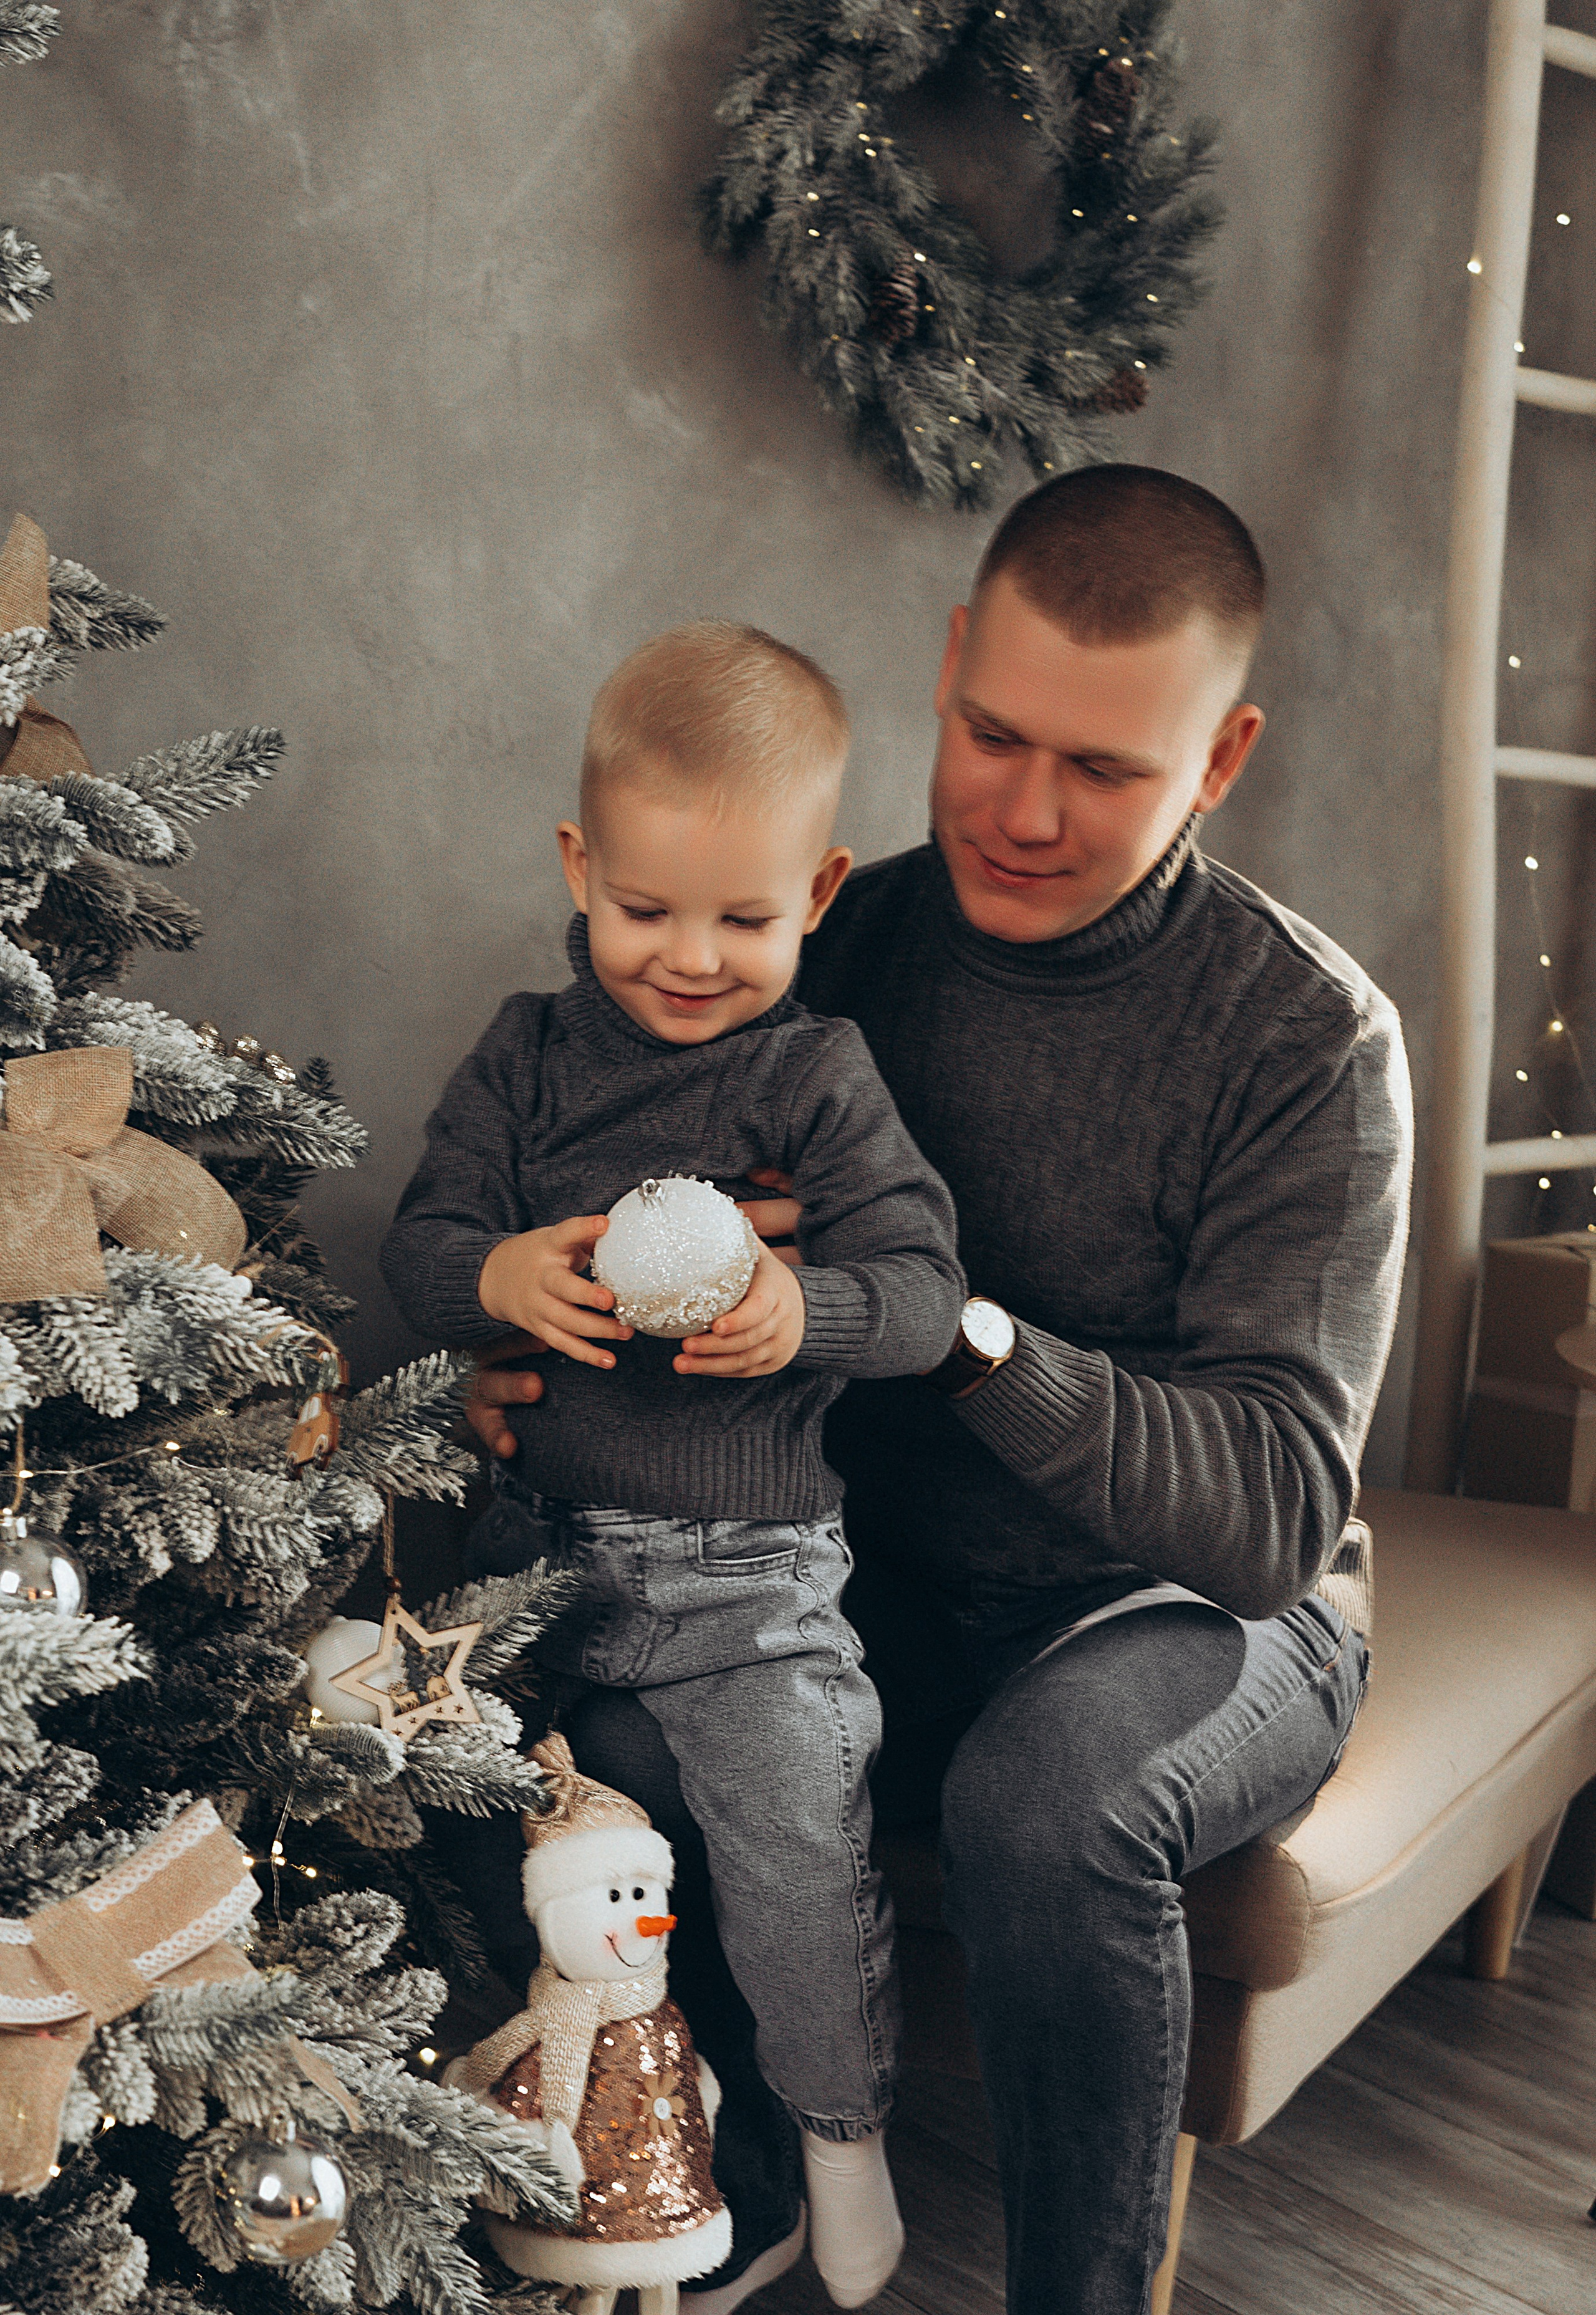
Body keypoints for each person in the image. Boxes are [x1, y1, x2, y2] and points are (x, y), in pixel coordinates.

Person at [463, 466, 1414, 2315]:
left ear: (1219, 760)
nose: (1028, 811)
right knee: (632, 1742)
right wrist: (525, 1352)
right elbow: (556, 1196)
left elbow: (1269, 1516)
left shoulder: (1305, 1036)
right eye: (993, 733)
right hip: (842, 1573)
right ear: (953, 661)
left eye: (1107, 771)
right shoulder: (815, 943)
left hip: (1181, 1607)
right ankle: (717, 2206)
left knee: (1047, 1803)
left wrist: (943, 1324)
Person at [379, 621, 968, 2311]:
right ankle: (595, 2116)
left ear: (823, 889)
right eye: (646, 909)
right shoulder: (531, 1055)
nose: (691, 958)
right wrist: (491, 1275)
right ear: (581, 864)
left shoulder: (815, 1074)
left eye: (746, 917)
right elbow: (424, 1242)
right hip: (530, 1558)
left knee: (796, 1857)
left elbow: (926, 1295)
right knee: (474, 1842)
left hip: (748, 1584)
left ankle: (841, 2144)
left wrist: (804, 1308)